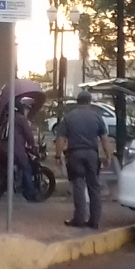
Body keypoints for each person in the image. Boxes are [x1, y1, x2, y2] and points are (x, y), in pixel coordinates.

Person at [53, 90, 113, 230]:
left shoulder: (69, 117)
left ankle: (79, 219)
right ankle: (94, 220)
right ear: (89, 101)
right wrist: (108, 156)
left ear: (77, 101)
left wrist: (58, 156)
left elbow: (60, 139)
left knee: (78, 186)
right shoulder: (97, 117)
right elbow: (105, 139)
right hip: (92, 155)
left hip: (75, 155)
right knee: (94, 187)